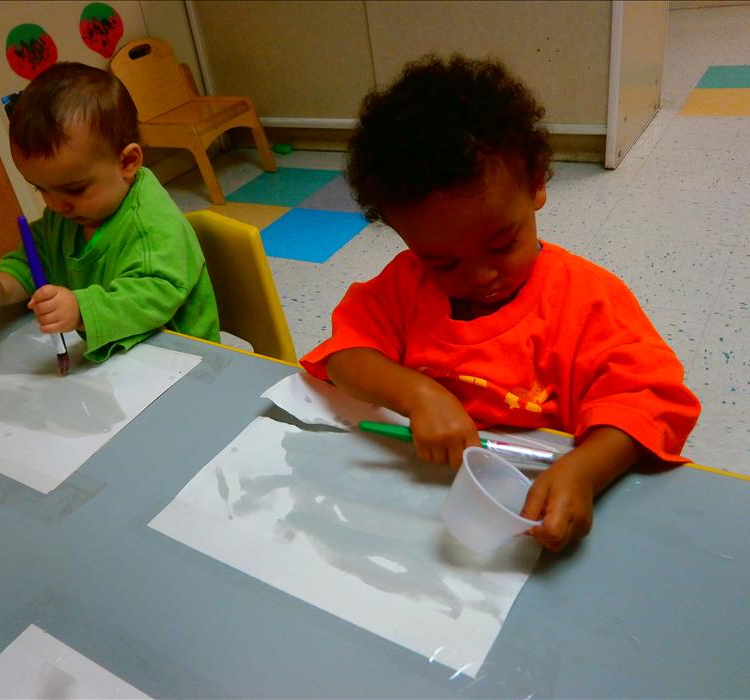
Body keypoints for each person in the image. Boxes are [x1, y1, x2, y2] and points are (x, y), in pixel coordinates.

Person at [300, 55, 701, 551]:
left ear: (536, 186)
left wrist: (585, 471)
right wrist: (419, 395)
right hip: (419, 516)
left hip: (538, 515)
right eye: (442, 263)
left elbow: (650, 401)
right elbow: (345, 357)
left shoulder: (587, 300)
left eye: (500, 244)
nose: (481, 275)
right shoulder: (405, 286)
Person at [0, 62, 219, 362]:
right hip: (117, 357)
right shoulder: (67, 214)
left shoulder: (153, 227)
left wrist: (81, 310)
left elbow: (154, 298)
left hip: (181, 360)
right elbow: (33, 260)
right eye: (41, 189)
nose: (55, 204)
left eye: (75, 189)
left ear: (127, 163)